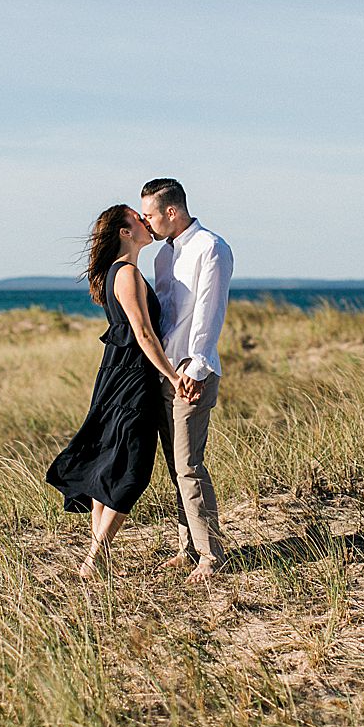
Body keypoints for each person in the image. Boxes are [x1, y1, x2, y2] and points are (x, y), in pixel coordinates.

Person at [46, 204, 185, 578]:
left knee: (108, 461)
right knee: (132, 469)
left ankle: (98, 558)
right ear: (125, 232)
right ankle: (94, 557)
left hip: (116, 374)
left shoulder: (117, 273)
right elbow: (143, 334)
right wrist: (172, 377)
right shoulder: (126, 274)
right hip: (132, 380)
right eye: (137, 219)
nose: (145, 222)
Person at [140, 178, 234, 584]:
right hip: (165, 371)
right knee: (176, 467)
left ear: (171, 212)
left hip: (191, 373)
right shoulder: (163, 256)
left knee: (189, 465)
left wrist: (194, 369)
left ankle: (212, 556)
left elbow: (209, 314)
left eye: (150, 215)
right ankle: (187, 546)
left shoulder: (211, 248)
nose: (147, 222)